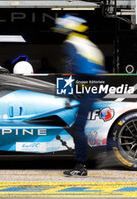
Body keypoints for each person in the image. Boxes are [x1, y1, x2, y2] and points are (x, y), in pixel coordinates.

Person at [53, 15, 105, 177]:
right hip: (96, 87)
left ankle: (81, 166)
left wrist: (69, 95)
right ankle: (108, 151)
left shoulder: (71, 43)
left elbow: (72, 69)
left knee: (78, 128)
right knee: (80, 127)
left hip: (89, 88)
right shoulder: (88, 44)